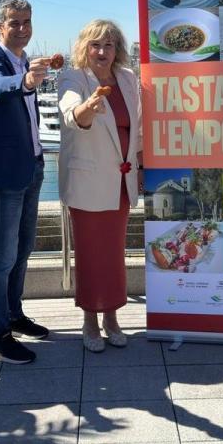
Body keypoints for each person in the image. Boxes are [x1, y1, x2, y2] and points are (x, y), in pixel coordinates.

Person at [0, 0, 52, 364]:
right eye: (14, 22)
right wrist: (27, 80)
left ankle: (14, 314)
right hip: (4, 174)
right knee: (2, 255)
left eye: (27, 21)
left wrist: (28, 75)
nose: (22, 28)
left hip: (32, 166)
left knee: (23, 249)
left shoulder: (24, 60)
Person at [57, 19, 141, 353]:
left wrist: (141, 166)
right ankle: (90, 320)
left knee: (114, 254)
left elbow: (138, 127)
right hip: (88, 184)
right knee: (91, 255)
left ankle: (112, 317)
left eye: (109, 45)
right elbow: (70, 114)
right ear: (84, 48)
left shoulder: (128, 78)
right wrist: (87, 109)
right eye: (95, 45)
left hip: (121, 182)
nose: (102, 51)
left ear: (117, 49)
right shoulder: (73, 78)